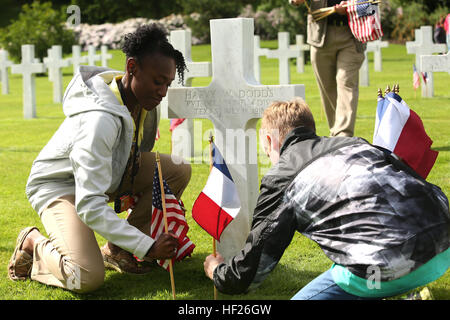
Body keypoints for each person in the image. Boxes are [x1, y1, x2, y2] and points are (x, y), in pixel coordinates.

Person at [203, 97, 449, 300]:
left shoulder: (282, 177)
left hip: (385, 267)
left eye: (266, 150)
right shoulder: (355, 144)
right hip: (443, 247)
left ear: (270, 140)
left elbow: (253, 267)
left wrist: (219, 272)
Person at [8, 24, 192, 293]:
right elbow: (89, 203)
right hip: (61, 186)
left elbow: (135, 155)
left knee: (176, 169)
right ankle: (32, 242)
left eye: (167, 83)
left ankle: (116, 251)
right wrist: (147, 244)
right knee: (85, 276)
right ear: (132, 68)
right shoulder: (99, 121)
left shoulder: (142, 102)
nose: (163, 92)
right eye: (157, 81)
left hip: (110, 174)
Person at [289, 0, 365, 137]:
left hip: (352, 37)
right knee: (328, 90)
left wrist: (350, 7)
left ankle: (343, 136)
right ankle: (335, 133)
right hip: (320, 36)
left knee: (346, 82)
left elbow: (369, 5)